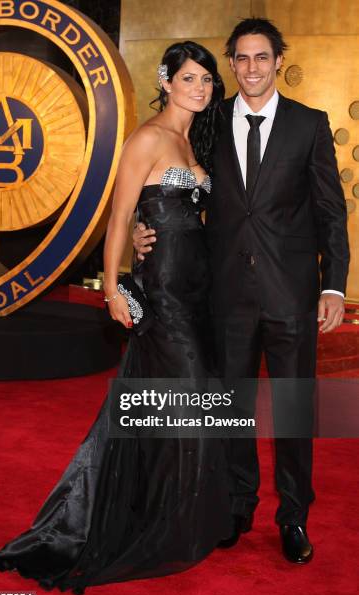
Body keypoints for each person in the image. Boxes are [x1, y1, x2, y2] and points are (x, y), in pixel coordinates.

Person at [0, 42, 235, 594]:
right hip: (162, 293)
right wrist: (115, 287)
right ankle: (164, 524)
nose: (200, 87)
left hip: (198, 292)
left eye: (207, 80)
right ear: (166, 82)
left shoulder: (195, 138)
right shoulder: (146, 138)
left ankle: (175, 515)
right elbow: (118, 218)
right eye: (189, 78)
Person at [134, 18, 350, 564]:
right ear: (230, 63)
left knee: (294, 409)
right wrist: (146, 227)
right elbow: (176, 184)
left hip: (291, 294)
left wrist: (332, 287)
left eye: (262, 57)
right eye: (241, 59)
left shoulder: (310, 125)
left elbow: (331, 214)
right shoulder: (207, 121)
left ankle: (294, 516)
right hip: (224, 293)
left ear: (279, 60)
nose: (251, 68)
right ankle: (237, 504)